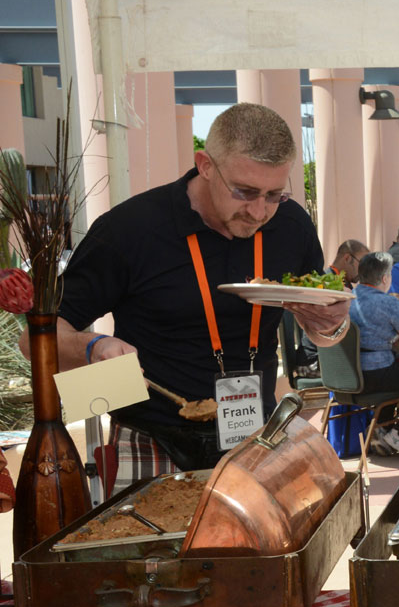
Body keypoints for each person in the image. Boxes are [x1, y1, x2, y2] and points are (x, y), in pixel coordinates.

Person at [31, 102, 350, 486]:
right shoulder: (130, 229)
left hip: (254, 435)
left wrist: (331, 326)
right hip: (151, 437)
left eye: (273, 194)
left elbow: (322, 327)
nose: (259, 211)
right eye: (244, 191)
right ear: (206, 165)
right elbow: (35, 338)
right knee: (150, 546)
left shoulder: (291, 224)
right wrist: (93, 346)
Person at [347, 251, 399, 457]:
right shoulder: (387, 302)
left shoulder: (346, 299)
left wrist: (395, 336)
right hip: (376, 372)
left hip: (348, 373)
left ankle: (381, 429)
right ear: (384, 278)